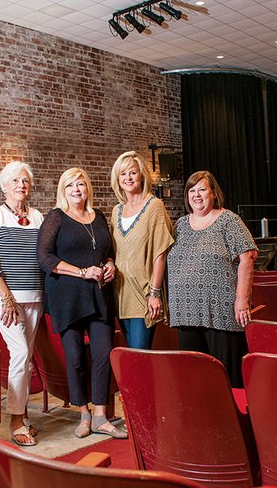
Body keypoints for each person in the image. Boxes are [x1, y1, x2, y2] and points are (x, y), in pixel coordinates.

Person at [37, 167, 127, 439]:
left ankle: (100, 415)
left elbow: (108, 251)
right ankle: (84, 413)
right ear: (63, 190)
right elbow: (44, 258)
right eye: (70, 186)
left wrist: (110, 265)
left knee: (102, 355)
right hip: (68, 297)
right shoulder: (56, 217)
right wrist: (82, 272)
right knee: (75, 358)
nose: (76, 190)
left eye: (81, 185)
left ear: (88, 188)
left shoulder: (98, 216)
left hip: (99, 295)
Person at [166, 171, 258, 387]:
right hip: (185, 313)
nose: (196, 195)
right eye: (192, 190)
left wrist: (242, 300)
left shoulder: (229, 220)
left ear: (213, 193)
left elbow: (247, 258)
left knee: (227, 377)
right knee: (193, 378)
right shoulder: (179, 225)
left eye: (202, 189)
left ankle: (232, 420)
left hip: (221, 312)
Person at [0, 161, 45, 446]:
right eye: (15, 181)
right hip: (5, 298)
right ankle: (15, 420)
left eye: (25, 181)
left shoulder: (38, 216)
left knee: (26, 358)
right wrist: (5, 295)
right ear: (5, 186)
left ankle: (24, 414)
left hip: (35, 296)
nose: (21, 185)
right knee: (19, 354)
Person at [110, 151, 174, 349]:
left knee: (139, 354)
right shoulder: (116, 210)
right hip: (120, 295)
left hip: (144, 295)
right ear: (117, 179)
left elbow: (160, 253)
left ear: (142, 175)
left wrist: (154, 294)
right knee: (130, 355)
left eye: (132, 173)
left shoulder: (154, 205)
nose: (128, 178)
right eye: (123, 174)